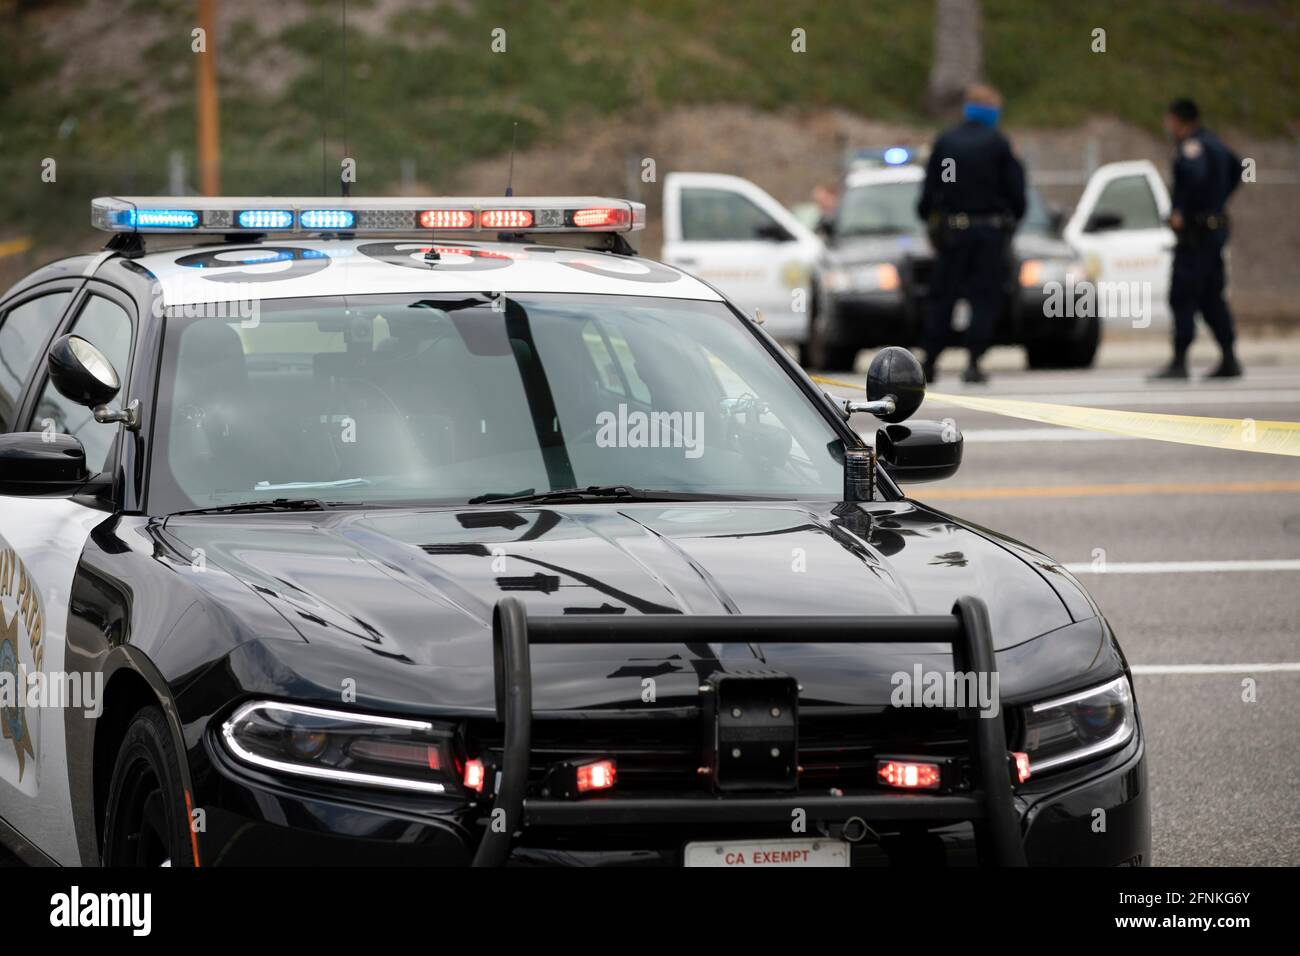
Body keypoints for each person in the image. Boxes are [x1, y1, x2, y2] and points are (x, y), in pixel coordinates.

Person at [917, 83, 1025, 384]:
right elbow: (1017, 194)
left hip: (952, 234)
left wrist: (931, 220)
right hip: (989, 233)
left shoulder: (946, 141)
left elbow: (928, 193)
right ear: (993, 111)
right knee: (983, 298)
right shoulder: (999, 144)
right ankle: (974, 362)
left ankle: (930, 360)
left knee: (942, 297)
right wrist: (1010, 222)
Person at [1151, 98, 1242, 380]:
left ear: (1179, 120)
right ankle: (1229, 358)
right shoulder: (1215, 143)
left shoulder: (1192, 147)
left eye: (1169, 120)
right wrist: (1217, 203)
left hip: (1195, 236)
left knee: (1182, 295)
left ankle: (1179, 361)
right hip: (1213, 233)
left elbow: (1193, 174)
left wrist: (1182, 210)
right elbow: (1238, 169)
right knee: (1211, 297)